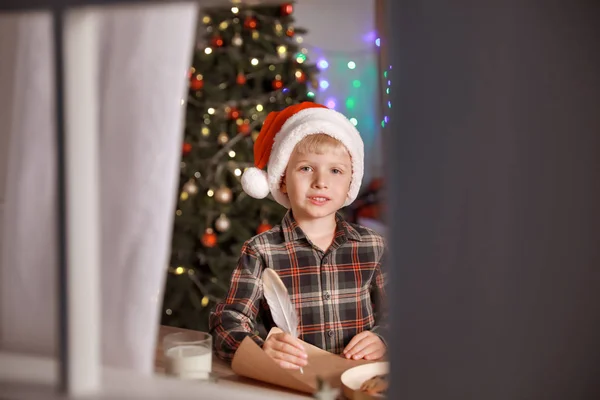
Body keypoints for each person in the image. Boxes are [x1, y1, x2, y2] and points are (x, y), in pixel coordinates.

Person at [209, 102, 387, 370]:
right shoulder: (261, 251)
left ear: (351, 181)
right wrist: (260, 348)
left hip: (358, 382)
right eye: (306, 168)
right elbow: (229, 320)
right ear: (281, 179)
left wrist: (384, 338)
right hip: (292, 383)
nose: (320, 182)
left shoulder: (373, 246)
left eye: (335, 170)